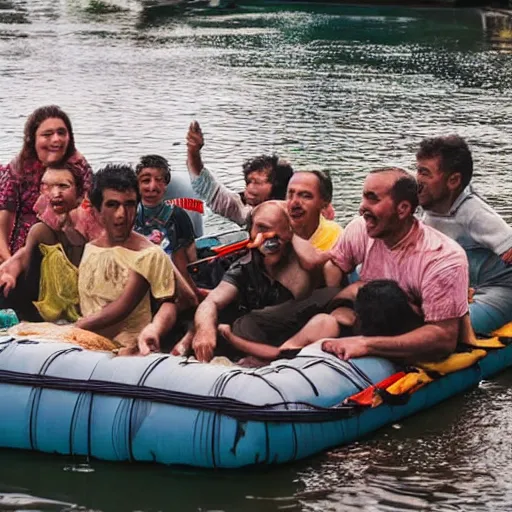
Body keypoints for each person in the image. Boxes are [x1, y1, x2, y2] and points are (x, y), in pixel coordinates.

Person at [313, 167, 469, 362]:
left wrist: (365, 344)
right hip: (364, 313)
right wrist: (338, 307)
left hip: (399, 325)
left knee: (382, 297)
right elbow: (335, 265)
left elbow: (444, 339)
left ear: (402, 209)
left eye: (373, 199)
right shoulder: (361, 227)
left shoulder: (443, 257)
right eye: (363, 197)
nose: (362, 208)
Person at [188, 201, 336, 362]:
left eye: (277, 232)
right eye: (262, 228)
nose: (269, 237)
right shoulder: (245, 266)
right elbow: (211, 302)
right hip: (261, 342)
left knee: (245, 325)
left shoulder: (303, 262)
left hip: (301, 339)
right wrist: (204, 330)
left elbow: (306, 283)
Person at [75, 164, 178, 354]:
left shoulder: (149, 254)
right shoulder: (90, 248)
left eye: (129, 204)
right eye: (112, 205)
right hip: (87, 343)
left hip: (128, 350)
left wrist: (155, 329)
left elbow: (167, 304)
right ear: (97, 211)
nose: (122, 214)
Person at [416, 135, 512, 335]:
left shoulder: (474, 212)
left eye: (425, 173)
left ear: (453, 180)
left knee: (442, 329)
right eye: (418, 171)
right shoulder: (428, 206)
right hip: (460, 288)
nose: (418, 180)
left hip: (496, 290)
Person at [0, 105, 92, 262]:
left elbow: (92, 216)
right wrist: (10, 264)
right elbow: (2, 228)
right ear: (32, 139)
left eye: (61, 133)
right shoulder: (18, 170)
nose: (56, 139)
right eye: (47, 134)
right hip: (23, 256)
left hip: (70, 251)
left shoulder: (79, 167)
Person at [0, 163, 87, 322]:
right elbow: (25, 256)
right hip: (46, 313)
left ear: (79, 193)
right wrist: (10, 269)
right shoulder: (42, 231)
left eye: (63, 186)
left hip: (87, 312)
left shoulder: (92, 227)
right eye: (47, 187)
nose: (55, 193)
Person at [186, 121, 294, 226]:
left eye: (257, 182)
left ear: (278, 185)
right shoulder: (242, 211)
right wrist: (193, 152)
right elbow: (208, 188)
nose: (249, 188)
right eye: (248, 182)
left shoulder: (296, 212)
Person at [134, 154, 199, 297]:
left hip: (172, 280)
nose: (152, 187)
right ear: (137, 185)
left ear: (166, 184)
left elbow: (191, 257)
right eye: (146, 181)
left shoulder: (177, 215)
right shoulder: (129, 214)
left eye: (158, 180)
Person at [287, 170, 343, 250]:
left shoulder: (337, 238)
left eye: (305, 196)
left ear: (325, 203)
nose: (293, 203)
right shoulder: (275, 229)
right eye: (290, 195)